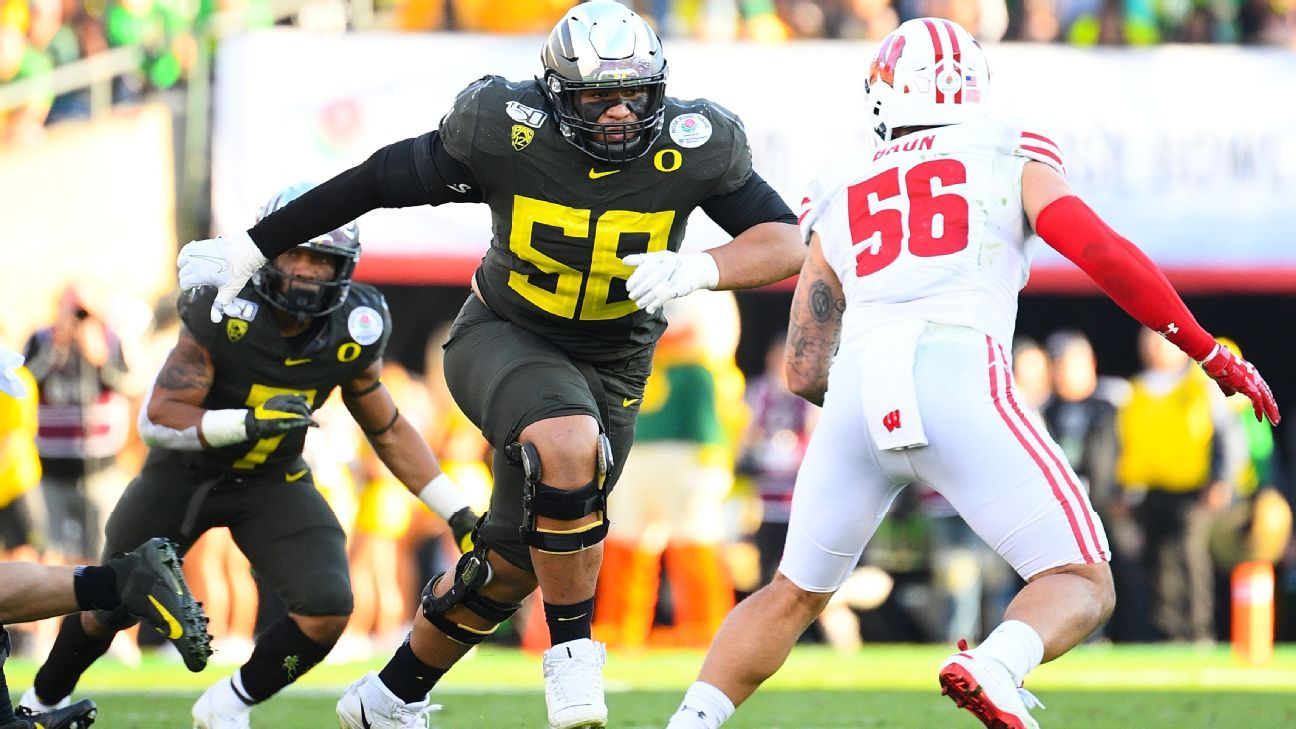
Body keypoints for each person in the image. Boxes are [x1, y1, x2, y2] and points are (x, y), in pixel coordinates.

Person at [176, 3, 805, 727]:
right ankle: (573, 657)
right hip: (505, 333)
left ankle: (389, 696)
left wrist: (702, 267)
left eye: (635, 93)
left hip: (617, 360)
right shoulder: (506, 126)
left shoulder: (697, 140)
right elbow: (375, 179)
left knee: (512, 559)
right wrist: (255, 246)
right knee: (567, 444)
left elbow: (784, 239)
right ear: (558, 94)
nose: (620, 112)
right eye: (600, 95)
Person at [664, 16, 1280, 729]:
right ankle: (994, 663)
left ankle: (692, 721)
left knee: (790, 592)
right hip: (959, 365)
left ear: (885, 94)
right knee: (1081, 578)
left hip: (858, 383)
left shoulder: (842, 182)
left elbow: (803, 367)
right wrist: (1207, 347)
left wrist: (880, 425)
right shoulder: (1007, 147)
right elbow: (1100, 251)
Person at [22, 184, 480, 729]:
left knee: (328, 606)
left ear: (345, 267)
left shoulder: (355, 325)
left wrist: (458, 511)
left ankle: (229, 703)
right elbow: (159, 418)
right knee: (110, 603)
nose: (306, 270)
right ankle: (43, 697)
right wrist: (246, 422)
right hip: (184, 476)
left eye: (321, 259)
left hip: (272, 479)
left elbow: (386, 426)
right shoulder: (221, 302)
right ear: (267, 252)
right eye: (295, 253)